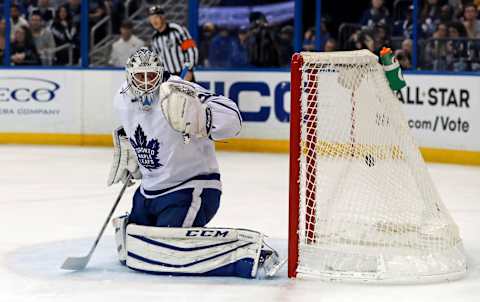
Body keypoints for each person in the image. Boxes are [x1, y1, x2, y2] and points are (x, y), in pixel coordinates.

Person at [107, 47, 280, 278]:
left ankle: (248, 253)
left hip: (192, 188)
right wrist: (132, 151)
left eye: (152, 76)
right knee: (132, 244)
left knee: (166, 251)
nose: (147, 83)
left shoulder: (180, 92)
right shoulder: (122, 97)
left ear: (161, 73)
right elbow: (133, 128)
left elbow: (234, 119)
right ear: (129, 76)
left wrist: (204, 116)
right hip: (149, 192)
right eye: (140, 76)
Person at [148, 5, 198, 81]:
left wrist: (189, 70)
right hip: (168, 78)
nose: (154, 21)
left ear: (163, 17)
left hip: (184, 74)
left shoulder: (177, 30)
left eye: (156, 17)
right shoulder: (154, 38)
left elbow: (191, 49)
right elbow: (157, 60)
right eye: (151, 18)